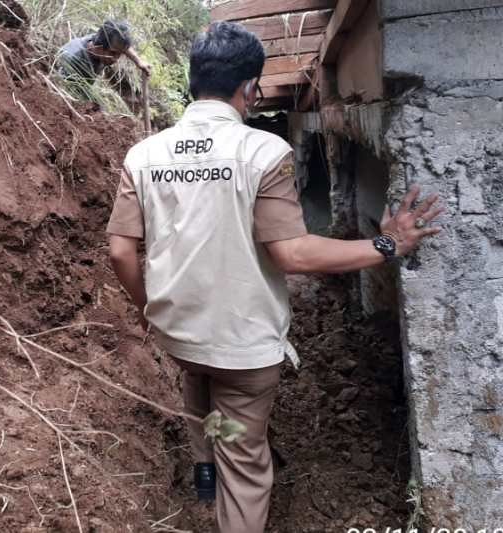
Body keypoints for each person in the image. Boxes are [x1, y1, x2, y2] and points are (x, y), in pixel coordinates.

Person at [104, 21, 443, 533]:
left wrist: (146, 308)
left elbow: (120, 251)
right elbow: (292, 253)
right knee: (247, 464)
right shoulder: (263, 153)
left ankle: (203, 474)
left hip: (177, 332)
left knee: (198, 393)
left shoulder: (143, 156)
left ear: (194, 81)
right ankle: (229, 488)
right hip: (242, 347)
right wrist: (385, 244)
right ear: (249, 89)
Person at [58, 19, 151, 98]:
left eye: (120, 54)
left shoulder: (101, 41)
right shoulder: (73, 59)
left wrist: (138, 61)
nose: (116, 59)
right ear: (98, 47)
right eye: (113, 53)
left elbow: (123, 48)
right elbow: (61, 91)